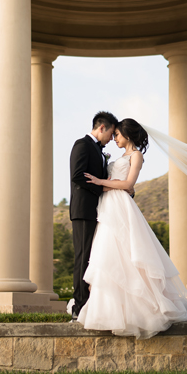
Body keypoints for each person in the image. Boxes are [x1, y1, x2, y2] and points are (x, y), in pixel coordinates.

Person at [77, 117, 187, 338]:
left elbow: (128, 185)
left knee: (128, 251)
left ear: (127, 134)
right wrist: (100, 184)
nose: (114, 138)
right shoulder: (119, 156)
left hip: (121, 205)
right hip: (107, 205)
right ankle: (106, 309)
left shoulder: (136, 155)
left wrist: (99, 182)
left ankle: (142, 307)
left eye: (117, 135)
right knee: (107, 254)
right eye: (113, 135)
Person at [68, 111, 117, 321]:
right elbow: (77, 175)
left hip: (95, 210)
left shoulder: (98, 150)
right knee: (83, 256)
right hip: (83, 210)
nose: (112, 139)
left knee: (92, 257)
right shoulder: (82, 144)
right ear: (102, 128)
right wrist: (99, 189)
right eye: (111, 133)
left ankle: (89, 303)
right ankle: (79, 305)